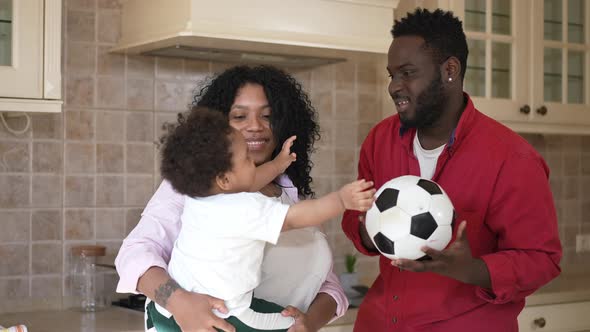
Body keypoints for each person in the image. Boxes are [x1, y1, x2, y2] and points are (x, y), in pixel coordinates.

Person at [341, 8, 562, 332]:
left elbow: (542, 260)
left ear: (450, 70)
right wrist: (370, 226)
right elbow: (354, 218)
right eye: (392, 75)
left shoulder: (513, 159)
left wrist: (471, 269)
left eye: (407, 73)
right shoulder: (380, 139)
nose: (394, 86)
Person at [115, 65, 351, 332]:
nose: (255, 127)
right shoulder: (196, 190)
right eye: (239, 116)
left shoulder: (293, 194)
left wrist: (308, 323)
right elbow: (134, 253)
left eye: (268, 116)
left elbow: (328, 285)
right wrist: (179, 303)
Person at [146, 108, 374, 332]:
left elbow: (249, 181)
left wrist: (277, 165)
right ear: (225, 178)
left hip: (167, 309)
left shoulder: (200, 197)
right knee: (291, 324)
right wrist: (341, 200)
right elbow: (295, 218)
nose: (252, 163)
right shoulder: (243, 208)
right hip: (226, 314)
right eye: (246, 158)